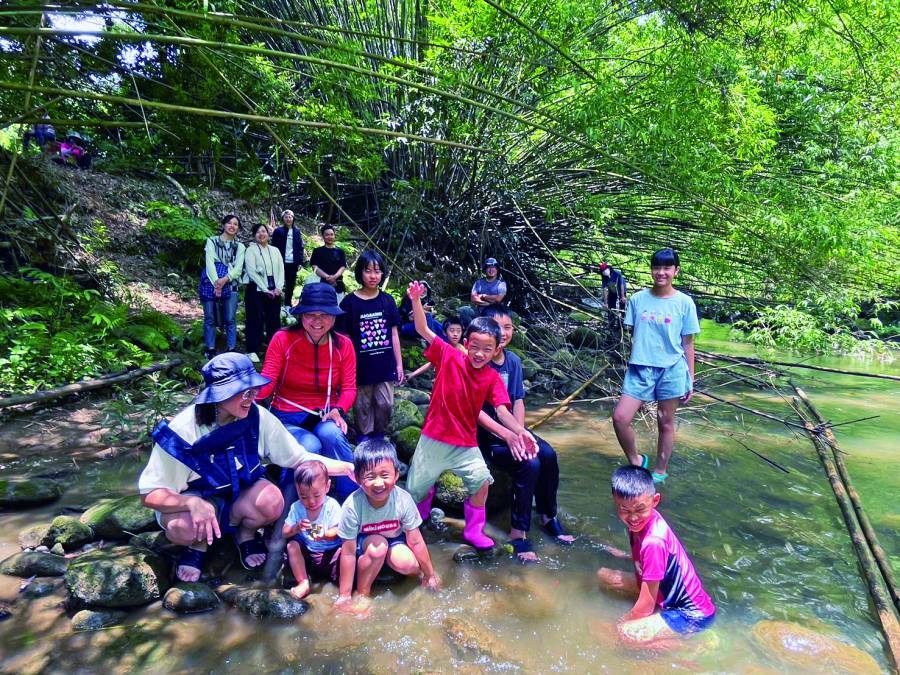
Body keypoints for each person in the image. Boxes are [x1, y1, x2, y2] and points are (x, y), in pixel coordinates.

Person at [138, 353, 355, 582]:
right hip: (194, 502)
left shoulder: (257, 417)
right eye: (243, 391)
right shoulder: (182, 430)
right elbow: (150, 494)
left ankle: (245, 534)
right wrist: (191, 503)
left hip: (240, 495)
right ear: (219, 395)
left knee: (272, 500)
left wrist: (347, 467)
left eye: (253, 390)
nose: (251, 397)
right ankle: (197, 546)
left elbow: (297, 457)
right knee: (182, 527)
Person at [404, 281, 535, 550]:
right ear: (466, 343)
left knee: (481, 482)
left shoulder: (491, 378)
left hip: (465, 443)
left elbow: (502, 411)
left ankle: (473, 530)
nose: (479, 354)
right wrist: (416, 300)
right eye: (475, 346)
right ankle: (422, 516)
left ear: (497, 350)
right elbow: (422, 329)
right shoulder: (450, 356)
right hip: (433, 438)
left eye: (487, 349)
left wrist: (521, 432)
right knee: (416, 490)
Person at [477, 305, 574, 562]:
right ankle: (518, 532)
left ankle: (547, 516)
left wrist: (520, 433)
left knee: (549, 454)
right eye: (498, 327)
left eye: (508, 327)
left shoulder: (514, 362)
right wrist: (510, 437)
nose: (503, 332)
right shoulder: (479, 362)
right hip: (488, 435)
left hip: (513, 427)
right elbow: (478, 411)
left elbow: (517, 400)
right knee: (529, 464)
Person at [256, 282, 358, 501]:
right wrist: (244, 395)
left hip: (325, 414)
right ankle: (288, 512)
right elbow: (267, 383)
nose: (317, 321)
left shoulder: (344, 345)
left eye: (324, 314)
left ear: (334, 317)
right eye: (310, 314)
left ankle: (350, 505)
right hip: (285, 415)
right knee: (309, 445)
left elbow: (349, 388)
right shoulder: (283, 339)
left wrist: (339, 410)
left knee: (333, 436)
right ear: (301, 315)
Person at [596, 466, 715, 646]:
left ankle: (693, 646)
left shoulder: (653, 542)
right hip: (663, 593)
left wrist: (619, 625)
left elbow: (644, 608)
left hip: (691, 614)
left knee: (623, 635)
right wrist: (628, 556)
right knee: (603, 576)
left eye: (639, 509)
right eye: (624, 509)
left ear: (655, 500)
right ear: (615, 502)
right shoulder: (643, 522)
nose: (633, 517)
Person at [611, 248, 699, 484]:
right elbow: (634, 336)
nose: (661, 273)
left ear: (676, 271)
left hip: (672, 369)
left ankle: (660, 472)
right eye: (657, 267)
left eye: (667, 268)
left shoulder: (684, 303)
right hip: (640, 369)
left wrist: (690, 378)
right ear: (651, 269)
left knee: (665, 422)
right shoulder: (638, 299)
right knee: (620, 417)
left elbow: (688, 343)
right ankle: (636, 461)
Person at [335, 439, 440, 616]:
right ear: (359, 478)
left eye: (385, 475)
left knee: (409, 565)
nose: (378, 483)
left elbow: (415, 541)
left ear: (396, 475)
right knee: (378, 546)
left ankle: (391, 569)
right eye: (370, 476)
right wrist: (344, 595)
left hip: (394, 541)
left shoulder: (403, 500)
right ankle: (363, 594)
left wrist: (429, 574)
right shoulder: (352, 505)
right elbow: (348, 552)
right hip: (366, 546)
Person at [338, 250, 404, 442]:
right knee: (362, 404)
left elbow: (394, 334)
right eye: (368, 271)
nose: (373, 276)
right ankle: (364, 435)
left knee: (385, 403)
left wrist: (399, 364)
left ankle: (379, 433)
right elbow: (344, 338)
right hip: (360, 365)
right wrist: (345, 367)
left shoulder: (387, 301)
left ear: (382, 273)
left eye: (377, 271)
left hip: (385, 365)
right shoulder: (349, 302)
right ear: (360, 272)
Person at [283, 459, 343, 600]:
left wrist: (324, 535)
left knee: (345, 553)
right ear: (297, 491)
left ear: (327, 487)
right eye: (303, 496)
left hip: (331, 553)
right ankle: (303, 581)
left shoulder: (331, 506)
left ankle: (344, 588)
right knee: (292, 545)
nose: (311, 501)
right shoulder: (297, 507)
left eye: (316, 495)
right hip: (309, 553)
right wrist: (296, 527)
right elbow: (284, 532)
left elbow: (339, 531)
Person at [201, 214, 245, 360]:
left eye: (235, 224)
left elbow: (238, 268)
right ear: (224, 225)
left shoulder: (240, 247)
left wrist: (225, 279)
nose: (232, 226)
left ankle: (231, 347)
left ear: (238, 228)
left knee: (230, 318)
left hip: (231, 285)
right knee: (209, 317)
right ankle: (210, 348)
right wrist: (217, 282)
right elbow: (210, 263)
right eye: (229, 223)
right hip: (210, 284)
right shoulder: (212, 241)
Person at [244, 222, 284, 361]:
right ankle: (253, 349)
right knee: (255, 319)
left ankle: (273, 347)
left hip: (275, 291)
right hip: (256, 290)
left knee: (273, 319)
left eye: (264, 231)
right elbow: (251, 272)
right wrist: (265, 289)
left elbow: (281, 270)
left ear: (268, 234)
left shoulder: (275, 250)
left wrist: (278, 287)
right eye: (258, 232)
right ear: (254, 236)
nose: (261, 234)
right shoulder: (251, 250)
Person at [406, 316, 465, 380]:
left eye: (459, 331)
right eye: (452, 331)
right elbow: (432, 363)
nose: (455, 334)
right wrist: (412, 374)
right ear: (444, 333)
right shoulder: (443, 348)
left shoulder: (463, 352)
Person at [271, 209, 305, 312]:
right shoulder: (278, 231)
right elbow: (274, 247)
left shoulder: (297, 232)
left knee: (290, 284)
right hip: (280, 262)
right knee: (278, 283)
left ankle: (287, 304)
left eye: (290, 217)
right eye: (286, 217)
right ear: (283, 219)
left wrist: (299, 261)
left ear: (293, 218)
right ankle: (276, 303)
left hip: (293, 263)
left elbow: (300, 247)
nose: (288, 219)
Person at [459, 257, 508, 327]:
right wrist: (487, 303)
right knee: (463, 310)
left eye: (493, 267)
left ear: (497, 269)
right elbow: (473, 298)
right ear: (485, 269)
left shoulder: (501, 284)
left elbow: (498, 299)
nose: (491, 270)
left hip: (494, 313)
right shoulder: (478, 283)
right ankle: (470, 332)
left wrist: (483, 296)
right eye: (488, 267)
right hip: (479, 311)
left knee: (491, 317)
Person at [310, 224, 348, 299]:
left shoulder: (340, 251)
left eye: (331, 234)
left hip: (338, 284)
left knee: (339, 307)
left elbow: (343, 267)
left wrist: (334, 277)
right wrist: (328, 277)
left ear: (334, 236)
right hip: (321, 284)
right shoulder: (317, 251)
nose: (330, 237)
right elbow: (314, 267)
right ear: (323, 236)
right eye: (327, 235)